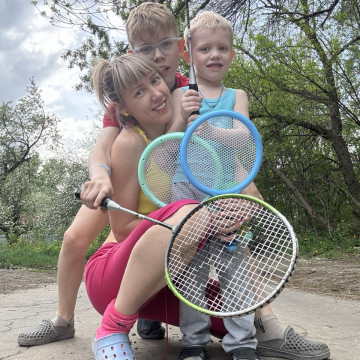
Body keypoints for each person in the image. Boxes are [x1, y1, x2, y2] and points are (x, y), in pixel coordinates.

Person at [17, 2, 187, 347]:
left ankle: (148, 309)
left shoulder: (186, 88)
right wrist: (100, 176)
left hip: (165, 178)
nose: (157, 56)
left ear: (180, 46)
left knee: (170, 232)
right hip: (126, 175)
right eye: (145, 49)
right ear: (131, 51)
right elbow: (102, 147)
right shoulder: (121, 99)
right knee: (75, 238)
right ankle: (63, 320)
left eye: (165, 44)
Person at [169, 11, 330, 360]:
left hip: (225, 190)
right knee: (192, 267)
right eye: (205, 48)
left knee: (235, 264)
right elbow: (168, 143)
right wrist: (183, 116)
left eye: (222, 48)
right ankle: (193, 342)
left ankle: (241, 343)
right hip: (186, 190)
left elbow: (243, 136)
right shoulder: (180, 93)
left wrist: (206, 127)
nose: (214, 55)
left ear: (232, 54)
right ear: (188, 54)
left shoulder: (236, 94)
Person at [85, 53, 248, 360]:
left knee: (236, 318)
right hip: (114, 275)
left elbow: (242, 184)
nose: (156, 93)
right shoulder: (131, 142)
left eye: (155, 80)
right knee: (189, 212)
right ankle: (112, 326)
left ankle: (151, 317)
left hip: (166, 277)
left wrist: (239, 213)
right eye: (139, 92)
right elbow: (120, 229)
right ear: (123, 110)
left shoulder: (194, 134)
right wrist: (205, 222)